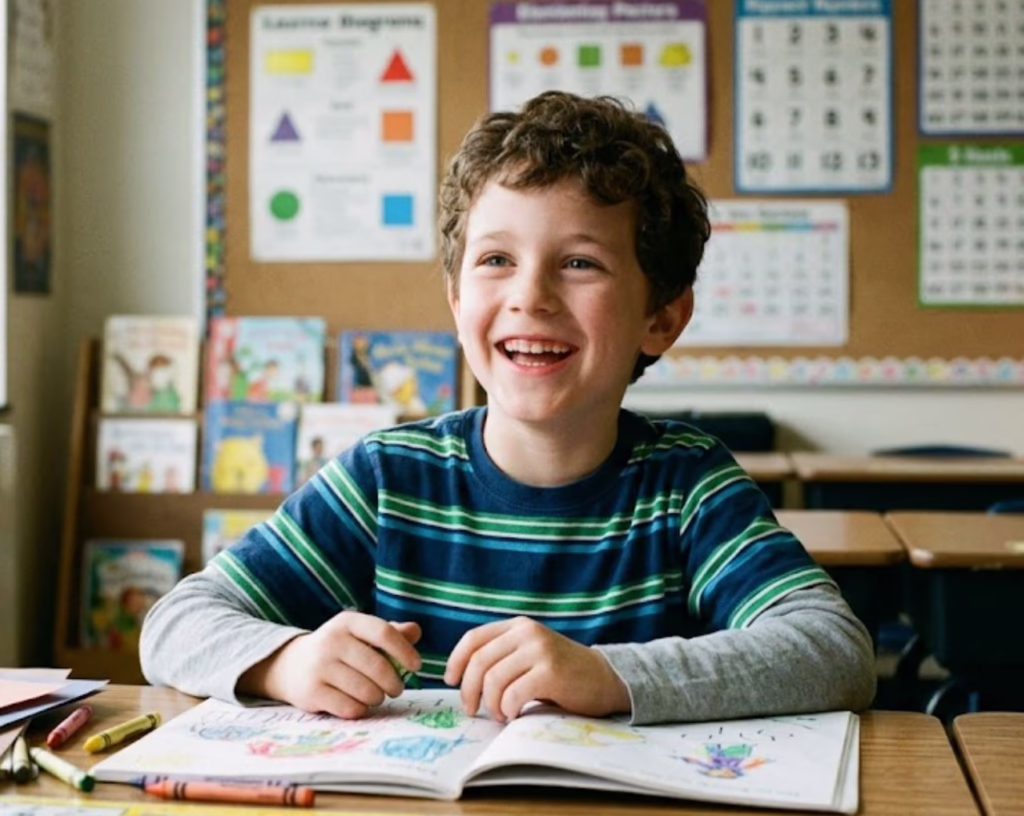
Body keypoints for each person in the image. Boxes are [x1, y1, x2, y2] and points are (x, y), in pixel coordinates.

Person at [141, 91, 875, 725]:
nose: (531, 295)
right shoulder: (388, 479)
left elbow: (833, 651)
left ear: (661, 317)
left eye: (580, 262)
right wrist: (287, 661)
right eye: (496, 260)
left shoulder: (686, 486)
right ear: (459, 301)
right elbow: (173, 625)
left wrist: (609, 675)